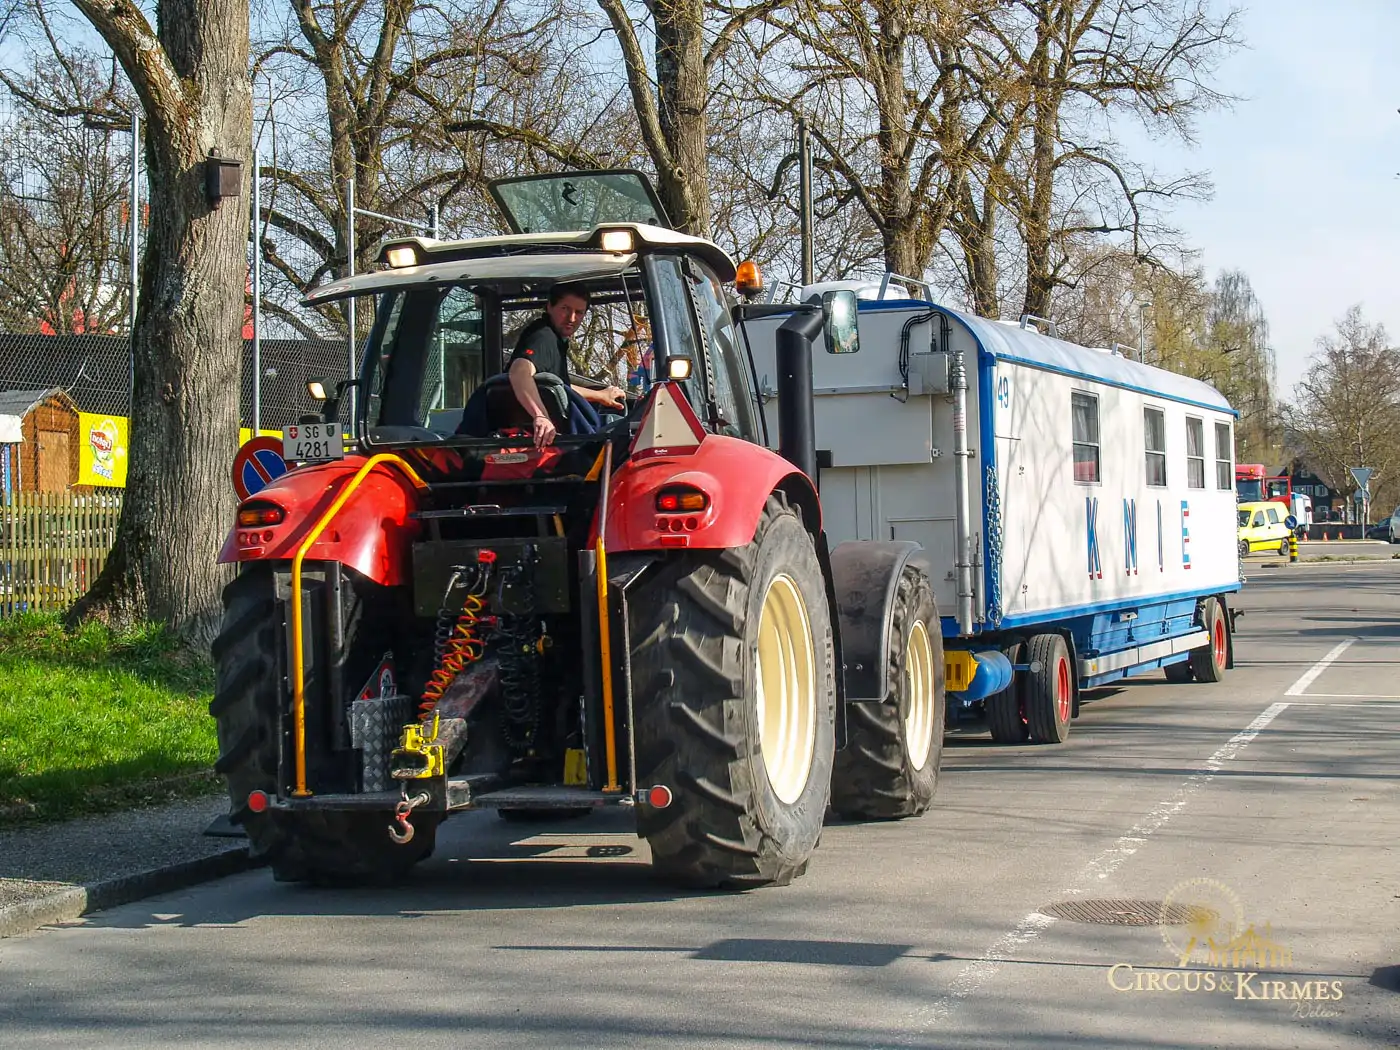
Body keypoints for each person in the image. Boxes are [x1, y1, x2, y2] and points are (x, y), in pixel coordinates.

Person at [509, 283, 626, 447]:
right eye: (565, 309)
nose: (571, 318)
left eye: (579, 312)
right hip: (544, 441)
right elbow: (519, 371)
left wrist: (601, 395)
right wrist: (541, 416)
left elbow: (559, 388)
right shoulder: (543, 337)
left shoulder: (555, 340)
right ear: (549, 307)